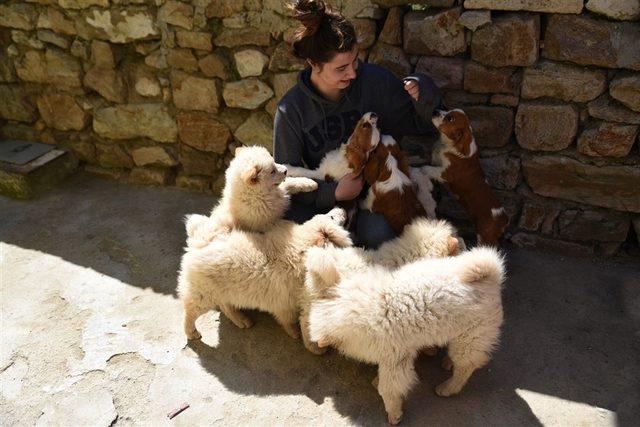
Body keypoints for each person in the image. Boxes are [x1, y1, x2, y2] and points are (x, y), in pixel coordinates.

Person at [273, 0, 442, 249]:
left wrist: (423, 93)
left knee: (381, 235)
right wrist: (334, 194)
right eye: (341, 68)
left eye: (355, 61)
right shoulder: (291, 110)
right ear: (313, 63)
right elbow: (285, 179)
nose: (352, 73)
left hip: (377, 198)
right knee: (289, 230)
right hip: (327, 201)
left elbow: (423, 126)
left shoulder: (375, 82)